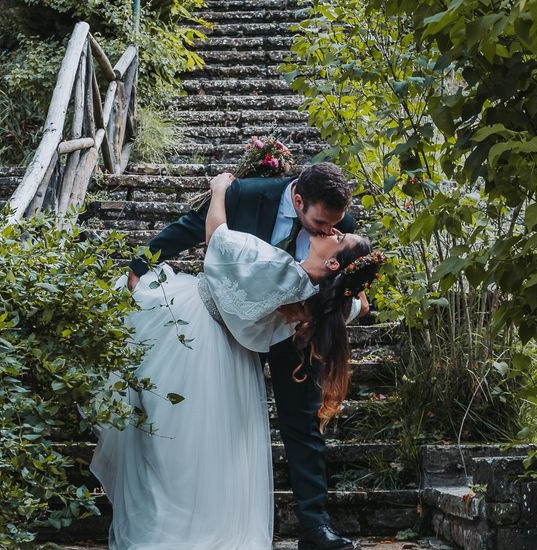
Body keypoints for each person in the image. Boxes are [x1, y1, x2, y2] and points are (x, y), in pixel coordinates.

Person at [117, 163, 372, 550]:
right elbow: (193, 227)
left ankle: (315, 526)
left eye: (333, 227)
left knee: (302, 421)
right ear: (298, 199)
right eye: (320, 223)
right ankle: (205, 509)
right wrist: (141, 262)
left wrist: (317, 316)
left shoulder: (339, 225)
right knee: (219, 423)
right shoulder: (249, 195)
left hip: (292, 334)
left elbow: (350, 289)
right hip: (226, 331)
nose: (327, 231)